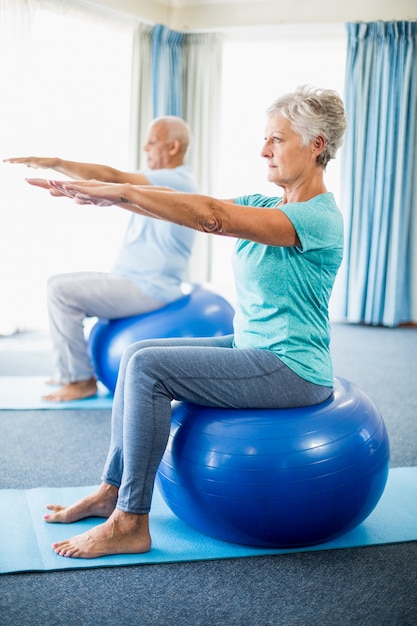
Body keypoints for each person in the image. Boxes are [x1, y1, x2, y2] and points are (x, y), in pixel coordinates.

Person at [26, 85, 347, 559]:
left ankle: (131, 522)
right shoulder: (265, 205)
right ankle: (111, 490)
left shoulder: (320, 219)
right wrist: (114, 200)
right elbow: (190, 203)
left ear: (317, 144)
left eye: (276, 140)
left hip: (292, 367)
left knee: (150, 371)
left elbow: (211, 217)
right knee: (138, 354)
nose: (263, 150)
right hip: (251, 346)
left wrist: (121, 190)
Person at [5, 116, 198, 402]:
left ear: (172, 147)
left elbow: (112, 177)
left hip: (150, 289)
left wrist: (54, 162)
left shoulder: (177, 180)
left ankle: (80, 380)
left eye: (152, 142)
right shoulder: (155, 184)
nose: (145, 147)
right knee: (57, 283)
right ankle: (67, 370)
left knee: (61, 292)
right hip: (130, 281)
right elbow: (111, 184)